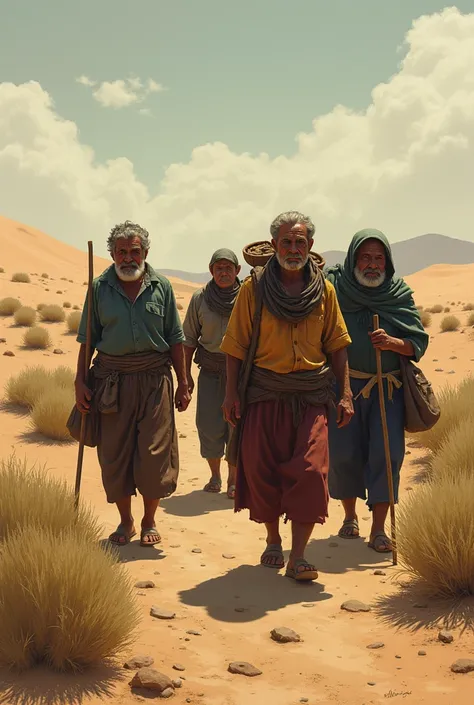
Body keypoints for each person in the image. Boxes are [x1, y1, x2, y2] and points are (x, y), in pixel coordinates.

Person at [221, 211, 353, 582]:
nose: (293, 248)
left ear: (311, 247)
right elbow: (235, 345)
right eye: (286, 242)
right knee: (263, 473)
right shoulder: (254, 289)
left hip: (311, 395)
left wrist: (345, 394)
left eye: (300, 242)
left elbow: (338, 345)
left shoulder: (325, 290)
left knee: (311, 472)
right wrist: (231, 392)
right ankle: (273, 539)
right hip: (265, 394)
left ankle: (298, 556)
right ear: (274, 245)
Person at [74, 221, 191, 547]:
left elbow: (176, 339)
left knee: (154, 454)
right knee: (115, 455)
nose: (128, 257)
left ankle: (149, 519)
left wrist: (183, 383)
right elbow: (88, 341)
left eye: (134, 251)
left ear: (145, 253)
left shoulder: (162, 286)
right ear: (112, 254)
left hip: (155, 382)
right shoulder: (99, 289)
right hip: (111, 383)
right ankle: (125, 521)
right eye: (122, 252)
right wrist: (79, 381)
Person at [326, 229, 429, 552]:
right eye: (365, 258)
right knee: (344, 454)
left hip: (388, 388)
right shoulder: (336, 289)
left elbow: (418, 342)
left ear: (388, 262)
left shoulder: (397, 293)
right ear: (354, 259)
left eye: (379, 258)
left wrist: (392, 343)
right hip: (344, 386)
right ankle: (349, 516)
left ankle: (380, 529)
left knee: (387, 454)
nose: (372, 265)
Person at [183, 248, 241, 499]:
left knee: (237, 426)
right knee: (208, 425)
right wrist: (184, 378)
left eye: (229, 268)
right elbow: (188, 339)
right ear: (211, 271)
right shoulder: (200, 298)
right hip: (209, 371)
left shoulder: (248, 298)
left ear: (238, 271)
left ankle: (233, 480)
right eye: (219, 268)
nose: (224, 273)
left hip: (240, 374)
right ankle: (215, 476)